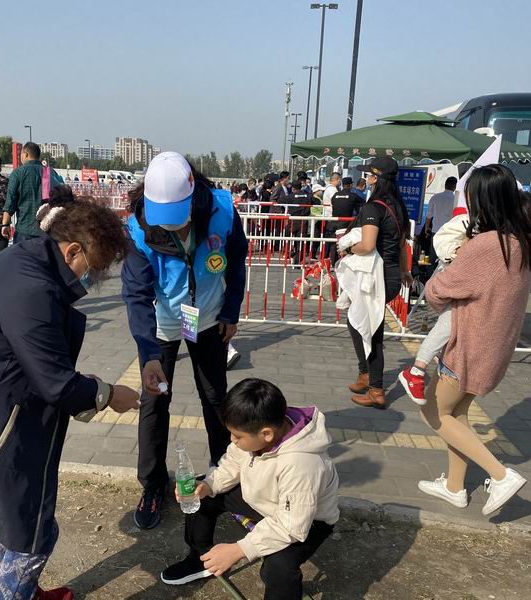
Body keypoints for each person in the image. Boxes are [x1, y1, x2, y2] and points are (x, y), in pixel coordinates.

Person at [0, 187, 140, 600]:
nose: (94, 278)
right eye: (95, 267)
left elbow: (38, 362)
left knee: (15, 519)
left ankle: (26, 593)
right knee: (33, 534)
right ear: (72, 250)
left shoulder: (23, 256)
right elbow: (56, 383)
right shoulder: (34, 289)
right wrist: (107, 394)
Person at [122, 151, 248, 530]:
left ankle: (224, 475)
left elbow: (237, 260)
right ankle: (153, 485)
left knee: (215, 397)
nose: (171, 227)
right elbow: (136, 296)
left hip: (206, 317)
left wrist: (230, 312)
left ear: (192, 196)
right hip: (161, 325)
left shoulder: (222, 210)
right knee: (154, 401)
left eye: (177, 217)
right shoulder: (137, 229)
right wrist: (148, 353)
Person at [417, 164, 531, 516]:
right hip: (494, 344)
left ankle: (500, 475)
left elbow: (439, 290)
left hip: (469, 344)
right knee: (456, 414)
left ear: (483, 200)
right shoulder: (522, 240)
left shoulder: (488, 245)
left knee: (432, 412)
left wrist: (455, 259)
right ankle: (455, 487)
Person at [160, 378, 339, 600]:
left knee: (278, 566)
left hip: (307, 522)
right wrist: (208, 485)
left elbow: (292, 527)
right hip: (265, 501)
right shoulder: (257, 430)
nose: (232, 440)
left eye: (237, 436)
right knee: (200, 494)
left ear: (266, 434)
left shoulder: (302, 464)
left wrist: (239, 549)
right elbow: (232, 463)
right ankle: (200, 558)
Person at [345, 157, 411, 408]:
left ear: (375, 178)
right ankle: (365, 374)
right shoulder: (398, 206)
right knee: (357, 322)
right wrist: (404, 271)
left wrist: (347, 248)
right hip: (391, 275)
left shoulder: (373, 208)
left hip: (375, 277)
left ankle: (376, 389)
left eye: (369, 175)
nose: (367, 179)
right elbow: (402, 244)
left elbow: (367, 245)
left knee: (371, 332)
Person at [398, 211, 470, 404]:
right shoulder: (467, 221)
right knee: (449, 320)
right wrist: (458, 251)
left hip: (476, 285)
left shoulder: (504, 230)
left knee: (452, 325)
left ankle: (428, 364)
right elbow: (443, 241)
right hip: (457, 280)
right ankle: (417, 370)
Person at [1, 142, 64, 243]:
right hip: (46, 230)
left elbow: (10, 202)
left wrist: (5, 224)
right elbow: (62, 195)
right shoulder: (49, 172)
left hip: (24, 229)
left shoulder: (18, 173)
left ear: (25, 154)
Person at [327, 177, 363, 264]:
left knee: (333, 244)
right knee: (345, 244)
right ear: (350, 185)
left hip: (333, 223)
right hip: (345, 224)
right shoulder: (353, 196)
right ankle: (343, 263)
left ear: (342, 185)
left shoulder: (335, 195)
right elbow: (362, 203)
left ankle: (333, 263)